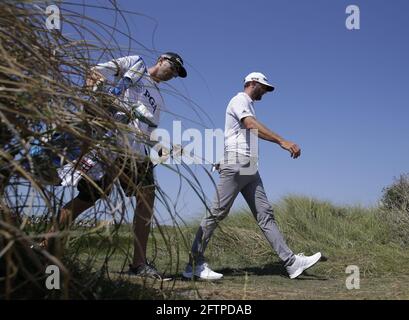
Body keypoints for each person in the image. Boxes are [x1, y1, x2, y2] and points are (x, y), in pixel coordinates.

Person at [44, 52, 187, 280]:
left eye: (177, 72)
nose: (173, 72)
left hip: (137, 154)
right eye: (172, 66)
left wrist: (162, 147)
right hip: (111, 144)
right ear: (161, 59)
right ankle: (45, 244)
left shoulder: (159, 100)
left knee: (146, 199)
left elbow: (148, 131)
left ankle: (139, 263)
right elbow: (95, 72)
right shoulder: (135, 64)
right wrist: (98, 98)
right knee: (89, 197)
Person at [183, 72, 321, 280]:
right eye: (263, 87)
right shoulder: (239, 100)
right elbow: (250, 125)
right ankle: (194, 264)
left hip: (249, 167)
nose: (265, 91)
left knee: (265, 214)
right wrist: (282, 141)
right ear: (252, 83)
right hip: (237, 163)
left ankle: (291, 263)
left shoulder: (249, 104)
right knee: (218, 212)